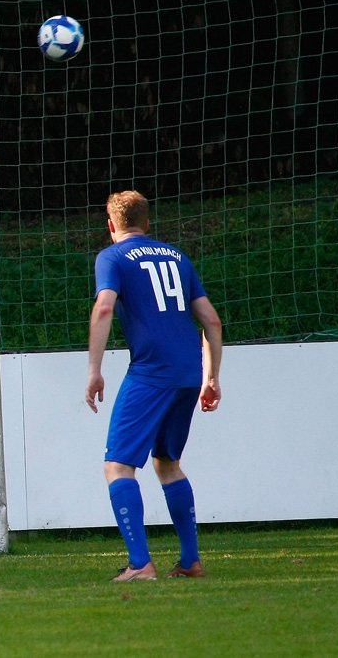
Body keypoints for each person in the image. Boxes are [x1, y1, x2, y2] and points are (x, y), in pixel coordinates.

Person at [86, 190, 223, 582]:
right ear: (147, 224)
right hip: (188, 373)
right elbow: (211, 322)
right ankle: (190, 560)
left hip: (151, 372)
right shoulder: (177, 256)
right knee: (167, 463)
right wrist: (212, 377)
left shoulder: (111, 256)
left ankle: (140, 564)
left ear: (111, 225)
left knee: (117, 466)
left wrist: (94, 369)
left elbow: (104, 307)